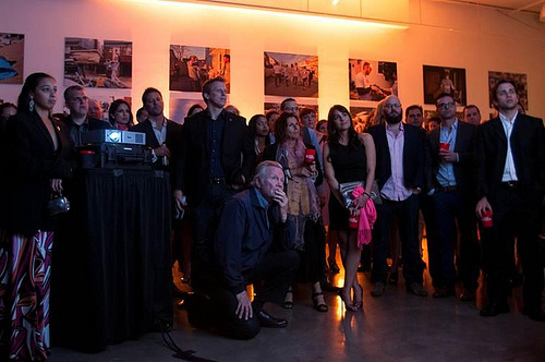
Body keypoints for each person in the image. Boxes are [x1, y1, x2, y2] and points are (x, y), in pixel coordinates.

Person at [0, 72, 73, 361]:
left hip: (48, 213)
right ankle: (18, 345)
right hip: (24, 212)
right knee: (22, 279)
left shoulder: (58, 125)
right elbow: (19, 163)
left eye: (55, 89)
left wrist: (60, 172)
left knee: (41, 280)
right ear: (31, 94)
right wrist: (53, 172)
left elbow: (69, 160)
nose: (53, 94)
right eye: (46, 89)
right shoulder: (19, 123)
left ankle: (37, 343)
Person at [184, 161, 298, 339]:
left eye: (282, 180)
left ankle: (256, 309)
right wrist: (239, 291)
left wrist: (284, 214)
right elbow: (227, 254)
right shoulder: (238, 204)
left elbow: (286, 246)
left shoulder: (274, 206)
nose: (279, 184)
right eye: (274, 178)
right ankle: (200, 306)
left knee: (291, 258)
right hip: (221, 275)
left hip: (247, 265)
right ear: (258, 182)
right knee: (248, 329)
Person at [175, 77, 254, 292]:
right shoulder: (192, 124)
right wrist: (178, 188)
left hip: (228, 189)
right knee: (201, 242)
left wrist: (244, 177)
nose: (223, 94)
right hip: (201, 190)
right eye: (218, 91)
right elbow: (182, 158)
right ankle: (201, 291)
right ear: (206, 95)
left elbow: (249, 156)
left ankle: (228, 291)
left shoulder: (238, 123)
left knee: (227, 240)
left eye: (225, 90)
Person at [476, 80, 545, 321]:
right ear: (495, 100)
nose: (508, 96)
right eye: (503, 93)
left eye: (512, 92)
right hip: (498, 196)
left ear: (518, 97)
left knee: (531, 254)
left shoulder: (534, 125)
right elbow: (481, 166)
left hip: (527, 197)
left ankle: (534, 304)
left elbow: (541, 163)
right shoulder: (486, 129)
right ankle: (497, 301)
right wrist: (482, 196)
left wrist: (538, 193)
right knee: (498, 252)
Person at [263, 112, 327, 312]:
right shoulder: (273, 150)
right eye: (290, 125)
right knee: (287, 245)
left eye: (296, 125)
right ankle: (288, 288)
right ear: (282, 129)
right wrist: (296, 172)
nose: (295, 128)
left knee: (313, 246)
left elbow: (317, 179)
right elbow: (272, 175)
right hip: (283, 205)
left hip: (307, 206)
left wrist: (313, 171)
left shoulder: (307, 149)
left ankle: (317, 290)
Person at [367, 95, 427, 297]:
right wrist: (372, 190)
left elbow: (422, 160)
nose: (392, 109)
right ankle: (378, 280)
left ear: (401, 109)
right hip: (383, 193)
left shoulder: (415, 133)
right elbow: (368, 164)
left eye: (396, 106)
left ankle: (415, 281)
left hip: (408, 192)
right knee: (380, 240)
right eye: (389, 106)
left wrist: (418, 187)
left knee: (410, 240)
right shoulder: (373, 133)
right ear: (384, 110)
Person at [425, 93, 480, 301]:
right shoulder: (432, 135)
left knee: (468, 241)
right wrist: (431, 189)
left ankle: (470, 284)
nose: (446, 107)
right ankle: (445, 284)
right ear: (437, 109)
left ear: (455, 107)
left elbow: (478, 158)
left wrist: (458, 157)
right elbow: (428, 164)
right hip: (442, 194)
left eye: (449, 104)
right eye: (442, 105)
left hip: (464, 192)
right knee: (443, 241)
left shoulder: (471, 131)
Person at [323, 105, 376, 311]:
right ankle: (355, 285)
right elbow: (330, 176)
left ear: (349, 117)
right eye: (336, 117)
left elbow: (371, 169)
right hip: (340, 198)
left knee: (355, 243)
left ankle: (346, 289)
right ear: (332, 123)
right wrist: (345, 201)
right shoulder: (329, 145)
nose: (342, 119)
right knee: (343, 242)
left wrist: (364, 196)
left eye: (344, 114)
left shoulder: (365, 139)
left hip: (361, 197)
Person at [130, 87, 183, 171]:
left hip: (173, 179)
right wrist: (154, 152)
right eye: (151, 101)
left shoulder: (178, 129)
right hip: (148, 178)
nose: (156, 103)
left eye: (158, 99)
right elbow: (132, 157)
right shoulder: (136, 130)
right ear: (145, 106)